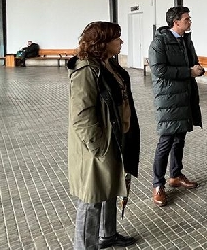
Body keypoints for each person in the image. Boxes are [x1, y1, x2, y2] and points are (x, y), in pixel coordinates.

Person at [67, 22, 140, 250]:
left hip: (116, 137)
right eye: (117, 38)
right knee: (92, 199)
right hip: (98, 145)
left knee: (112, 186)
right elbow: (81, 114)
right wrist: (99, 147)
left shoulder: (108, 65)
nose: (121, 41)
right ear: (102, 42)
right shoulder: (87, 70)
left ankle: (108, 235)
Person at [149, 6, 203, 207]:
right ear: (176, 22)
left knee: (180, 138)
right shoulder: (159, 42)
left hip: (185, 97)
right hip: (169, 99)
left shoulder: (186, 40)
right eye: (187, 19)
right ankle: (158, 184)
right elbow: (159, 69)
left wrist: (198, 69)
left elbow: (193, 63)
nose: (190, 21)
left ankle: (175, 175)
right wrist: (188, 72)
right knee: (166, 141)